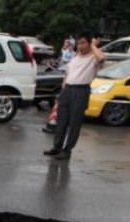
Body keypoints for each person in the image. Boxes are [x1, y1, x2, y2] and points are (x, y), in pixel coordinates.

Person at [44, 32, 105, 161]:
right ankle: (57, 147)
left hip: (81, 90)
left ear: (89, 44)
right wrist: (63, 89)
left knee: (74, 123)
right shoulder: (75, 57)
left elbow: (101, 58)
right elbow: (68, 74)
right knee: (61, 121)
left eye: (83, 43)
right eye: (78, 43)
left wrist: (93, 46)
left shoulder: (93, 58)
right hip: (68, 90)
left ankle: (67, 151)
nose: (80, 46)